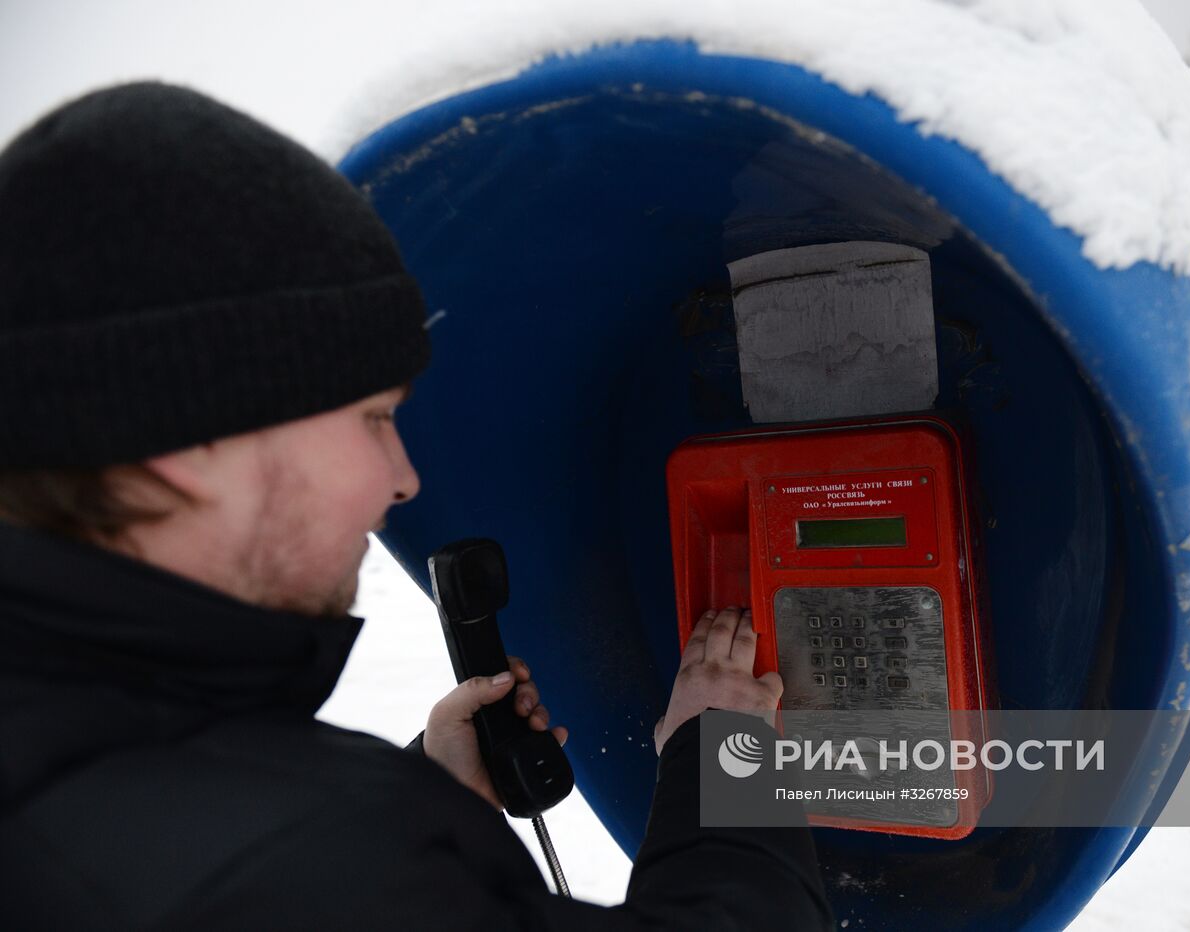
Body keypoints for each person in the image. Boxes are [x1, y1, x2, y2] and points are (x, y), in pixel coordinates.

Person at [0, 82, 834, 930]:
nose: (402, 480)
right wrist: (727, 751)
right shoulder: (311, 862)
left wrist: (430, 788)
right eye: (373, 418)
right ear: (179, 444)